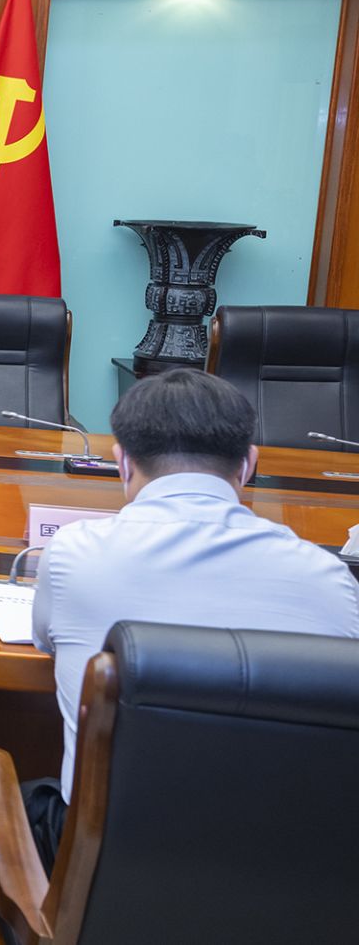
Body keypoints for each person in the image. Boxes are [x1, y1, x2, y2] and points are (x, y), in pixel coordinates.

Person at [28, 369, 359, 871]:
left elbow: (44, 641)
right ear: (248, 465)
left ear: (122, 462)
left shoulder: (74, 554)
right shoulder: (329, 579)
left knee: (14, 793)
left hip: (110, 870)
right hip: (287, 875)